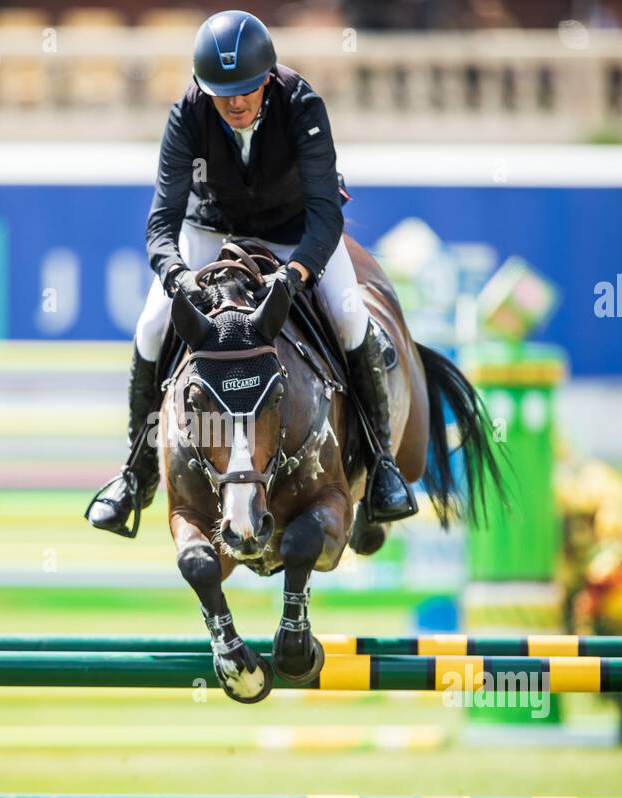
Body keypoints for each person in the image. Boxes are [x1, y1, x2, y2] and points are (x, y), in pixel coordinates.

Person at [86, 9, 418, 536]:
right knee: (150, 325)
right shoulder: (187, 115)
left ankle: (381, 466)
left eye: (244, 89)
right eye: (222, 92)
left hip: (295, 234)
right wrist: (176, 276)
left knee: (351, 316)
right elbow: (160, 224)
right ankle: (135, 472)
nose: (234, 102)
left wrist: (296, 275)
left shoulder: (302, 106)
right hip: (211, 233)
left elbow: (326, 213)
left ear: (266, 77)